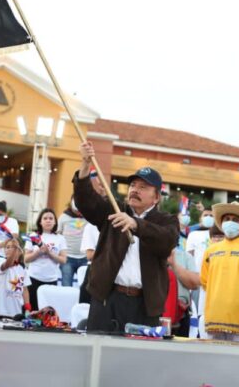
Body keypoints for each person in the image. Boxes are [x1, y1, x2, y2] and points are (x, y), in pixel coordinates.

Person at [74, 141, 178, 333]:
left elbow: (167, 240)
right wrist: (85, 164)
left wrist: (136, 224)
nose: (135, 190)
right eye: (132, 185)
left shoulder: (166, 220)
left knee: (138, 360)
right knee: (100, 355)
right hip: (108, 298)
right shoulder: (114, 209)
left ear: (156, 197)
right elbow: (85, 202)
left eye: (143, 187)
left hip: (145, 305)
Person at [201, 202, 239, 342]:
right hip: (214, 318)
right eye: (227, 219)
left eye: (235, 220)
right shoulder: (210, 251)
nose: (230, 222)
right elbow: (204, 281)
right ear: (221, 223)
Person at [25, 208, 67, 310]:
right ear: (40, 221)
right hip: (33, 278)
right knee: (33, 310)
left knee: (48, 312)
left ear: (55, 222)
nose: (48, 220)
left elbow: (63, 260)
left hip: (51, 279)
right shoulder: (33, 236)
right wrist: (39, 252)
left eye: (51, 218)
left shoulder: (60, 238)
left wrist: (49, 253)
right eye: (45, 218)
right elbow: (26, 259)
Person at [0, 237, 31, 318]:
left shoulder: (23, 269)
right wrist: (16, 248)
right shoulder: (2, 262)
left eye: (12, 247)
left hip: (16, 312)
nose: (8, 249)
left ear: (20, 252)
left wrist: (27, 307)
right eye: (7, 247)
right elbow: (8, 263)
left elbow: (25, 289)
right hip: (0, 311)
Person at [57, 200, 88, 287]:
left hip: (84, 258)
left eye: (80, 210)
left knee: (85, 288)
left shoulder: (89, 217)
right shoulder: (63, 217)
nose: (79, 213)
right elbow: (57, 235)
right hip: (67, 258)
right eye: (77, 211)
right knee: (66, 286)